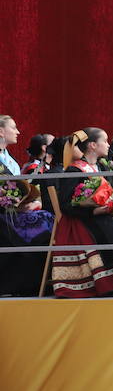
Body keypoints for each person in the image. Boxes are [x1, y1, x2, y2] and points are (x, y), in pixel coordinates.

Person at [51, 128, 113, 298]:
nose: (108, 145)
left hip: (102, 216)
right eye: (105, 141)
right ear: (93, 145)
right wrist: (94, 211)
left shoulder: (100, 167)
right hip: (82, 219)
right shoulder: (74, 171)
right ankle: (110, 283)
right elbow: (66, 204)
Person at [0, 115, 52, 295]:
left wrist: (31, 201)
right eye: (13, 128)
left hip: (14, 210)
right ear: (1, 131)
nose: (18, 132)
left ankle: (34, 282)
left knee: (46, 220)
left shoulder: (8, 157)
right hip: (4, 213)